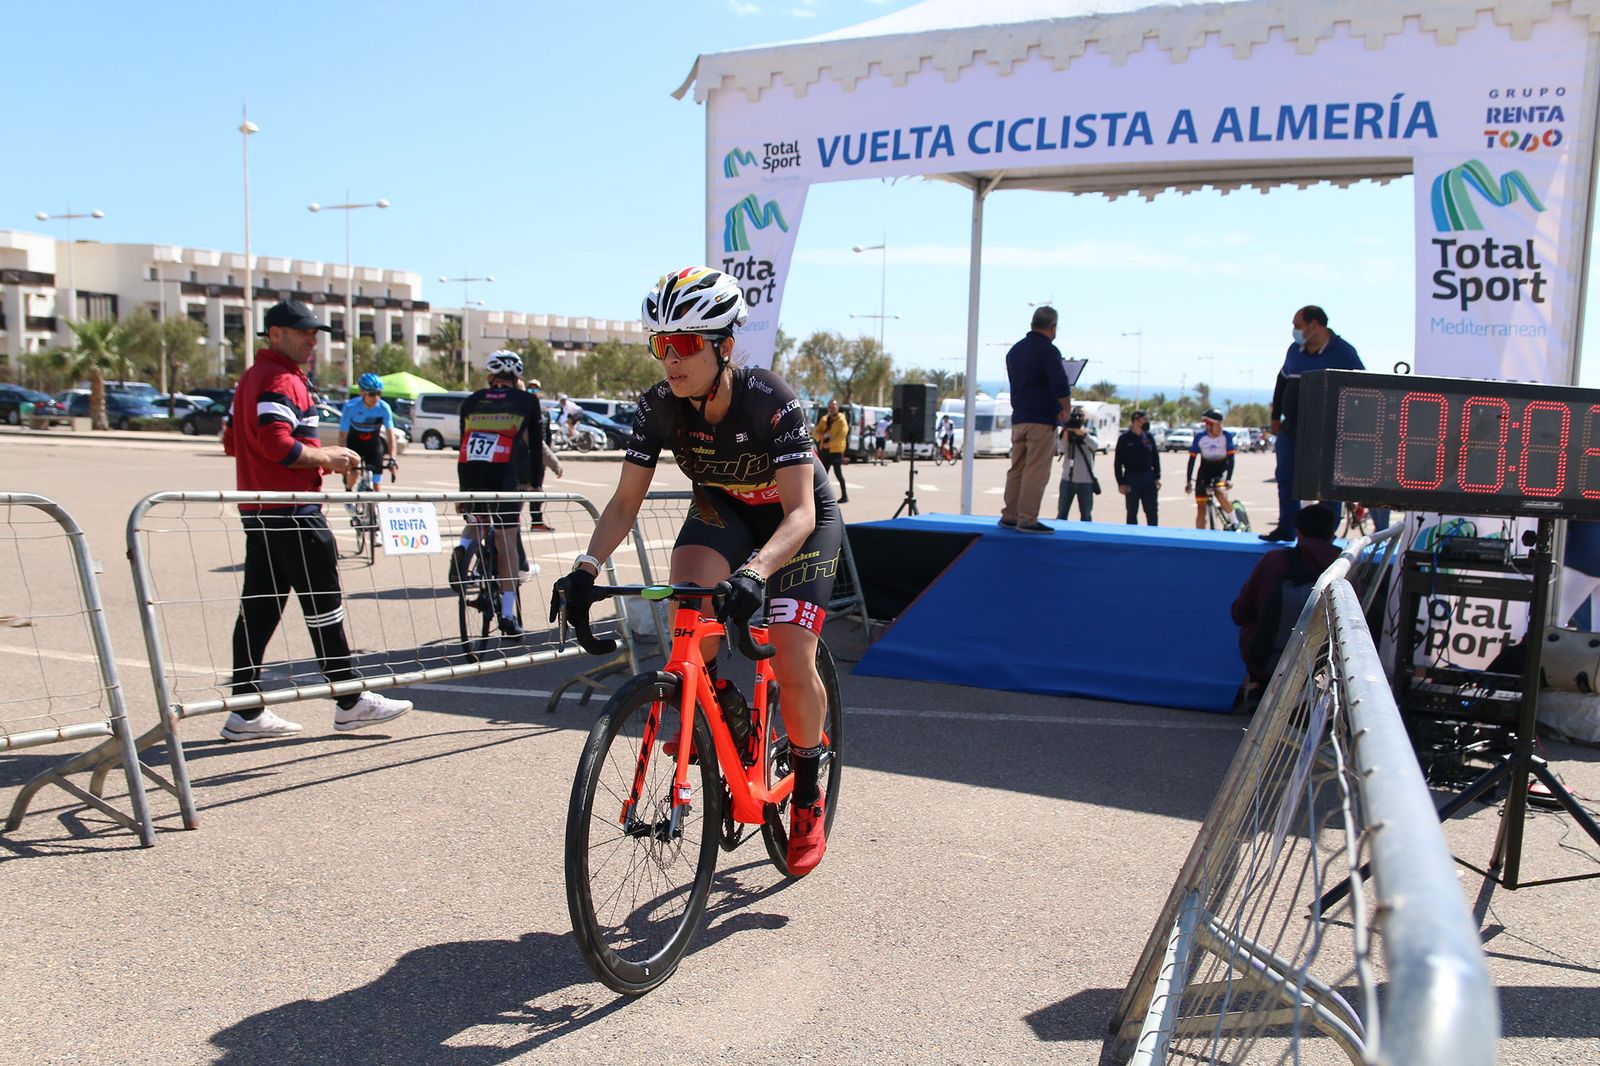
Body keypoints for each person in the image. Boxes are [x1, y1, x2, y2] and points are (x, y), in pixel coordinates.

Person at [551, 265, 840, 876]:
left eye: (684, 345)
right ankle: (726, 708)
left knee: (791, 658)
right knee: (689, 616)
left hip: (796, 523)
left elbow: (799, 513)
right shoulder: (657, 407)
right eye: (661, 345)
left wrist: (757, 572)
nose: (670, 360)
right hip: (725, 510)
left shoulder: (773, 401)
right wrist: (585, 566)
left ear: (724, 346)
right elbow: (625, 503)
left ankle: (809, 784)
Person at [219, 300, 412, 742]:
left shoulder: (250, 378)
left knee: (259, 609)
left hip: (260, 511)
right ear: (275, 334)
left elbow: (232, 440)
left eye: (314, 332)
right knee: (324, 605)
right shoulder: (280, 379)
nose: (312, 340)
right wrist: (327, 457)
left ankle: (244, 710)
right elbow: (276, 444)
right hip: (293, 511)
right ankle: (349, 702)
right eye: (302, 332)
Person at [455, 349, 543, 636]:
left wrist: (461, 491)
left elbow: (464, 446)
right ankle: (507, 614)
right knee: (506, 541)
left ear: (490, 377)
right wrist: (535, 485)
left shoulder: (471, 401)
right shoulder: (527, 400)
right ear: (517, 377)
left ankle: (464, 548)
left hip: (471, 472)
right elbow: (534, 450)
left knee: (476, 521)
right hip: (504, 474)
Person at [1263, 305, 1364, 542]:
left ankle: (1324, 538)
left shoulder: (1344, 352)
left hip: (1328, 432)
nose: (1294, 330)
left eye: (1297, 325)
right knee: (1286, 478)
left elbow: (1362, 389)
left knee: (1328, 487)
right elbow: (1282, 381)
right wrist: (1275, 417)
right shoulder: (1294, 351)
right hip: (1293, 429)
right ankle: (1286, 528)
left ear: (1314, 324)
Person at [1231, 503, 1341, 705]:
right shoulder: (1343, 570)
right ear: (1333, 533)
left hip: (1267, 660)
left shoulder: (1273, 560)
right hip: (1323, 665)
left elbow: (1239, 613)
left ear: (1298, 533)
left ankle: (1257, 684)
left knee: (1253, 624)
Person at [1000, 306, 1074, 534]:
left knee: (1017, 468)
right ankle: (1027, 518)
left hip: (1020, 417)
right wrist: (1065, 408)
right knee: (1036, 471)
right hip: (1041, 419)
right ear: (1053, 327)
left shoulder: (1015, 351)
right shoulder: (1048, 351)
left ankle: (1010, 515)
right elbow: (1060, 382)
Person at [338, 372, 398, 497]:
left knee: (377, 484)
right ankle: (348, 493)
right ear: (362, 393)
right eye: (372, 394)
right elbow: (343, 436)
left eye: (379, 393)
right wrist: (343, 458)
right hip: (354, 443)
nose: (376, 397)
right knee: (353, 474)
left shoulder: (384, 407)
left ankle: (374, 514)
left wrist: (393, 458)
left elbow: (390, 436)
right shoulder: (351, 407)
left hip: (373, 445)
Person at [1186, 409, 1237, 529]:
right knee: (1201, 508)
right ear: (1208, 425)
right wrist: (1188, 480)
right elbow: (1192, 460)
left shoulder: (1226, 436)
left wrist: (1229, 479)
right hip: (1204, 472)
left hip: (1220, 470)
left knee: (1220, 493)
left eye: (1221, 424)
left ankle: (1234, 521)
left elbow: (1231, 459)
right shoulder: (1200, 438)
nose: (1220, 427)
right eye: (1217, 425)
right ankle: (1200, 536)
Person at [1114, 410, 1162, 525]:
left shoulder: (1149, 437)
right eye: (1144, 420)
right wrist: (1120, 482)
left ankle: (1153, 538)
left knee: (1152, 512)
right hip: (1131, 478)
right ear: (1136, 421)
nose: (1147, 422)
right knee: (1132, 513)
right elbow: (1118, 462)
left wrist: (1157, 476)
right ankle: (1132, 539)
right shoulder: (1124, 438)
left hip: (1148, 478)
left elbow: (1155, 458)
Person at [1056, 406, 1099, 521]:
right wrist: (1066, 432)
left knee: (1086, 515)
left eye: (1080, 416)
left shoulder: (1089, 431)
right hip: (1067, 479)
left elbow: (1095, 446)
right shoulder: (1066, 431)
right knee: (1062, 514)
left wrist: (1083, 434)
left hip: (1086, 480)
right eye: (1075, 416)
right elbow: (1062, 449)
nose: (1077, 419)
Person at [813, 398, 850, 503]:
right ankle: (820, 497)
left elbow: (841, 436)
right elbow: (815, 432)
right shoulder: (825, 419)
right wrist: (821, 436)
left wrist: (828, 444)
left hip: (836, 451)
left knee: (838, 473)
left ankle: (844, 495)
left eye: (833, 407)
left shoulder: (842, 420)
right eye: (830, 407)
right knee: (822, 475)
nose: (831, 409)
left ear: (837, 407)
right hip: (824, 451)